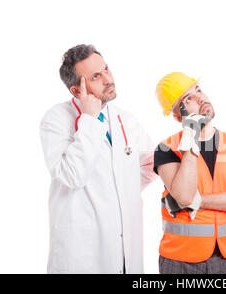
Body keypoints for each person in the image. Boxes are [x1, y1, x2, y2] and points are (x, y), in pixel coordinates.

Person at [39, 44, 156, 274]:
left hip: (126, 253)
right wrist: (89, 119)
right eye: (95, 76)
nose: (108, 79)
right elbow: (72, 176)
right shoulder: (55, 120)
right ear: (76, 90)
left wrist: (115, 192)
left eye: (106, 69)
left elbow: (149, 166)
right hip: (82, 255)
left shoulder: (126, 119)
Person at [154, 72, 226, 274]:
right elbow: (184, 195)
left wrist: (196, 202)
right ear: (177, 116)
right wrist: (190, 137)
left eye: (198, 90)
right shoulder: (166, 148)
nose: (201, 98)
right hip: (180, 261)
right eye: (188, 99)